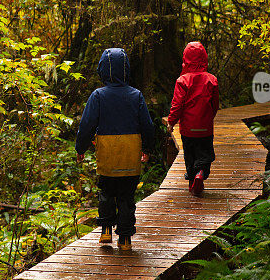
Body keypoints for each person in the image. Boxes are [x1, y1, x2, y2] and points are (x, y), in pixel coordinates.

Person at [76, 48, 155, 251]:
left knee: (107, 191)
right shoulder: (136, 95)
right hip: (130, 152)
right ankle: (126, 239)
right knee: (127, 196)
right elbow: (147, 125)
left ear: (102, 69)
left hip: (107, 152)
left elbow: (86, 125)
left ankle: (106, 230)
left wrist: (80, 148)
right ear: (126, 69)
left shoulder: (98, 96)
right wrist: (147, 147)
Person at [166, 41, 219, 197]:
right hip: (205, 128)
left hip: (188, 129)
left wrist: (171, 121)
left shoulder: (182, 81)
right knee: (205, 155)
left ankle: (192, 182)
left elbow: (177, 105)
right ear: (204, 58)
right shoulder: (211, 80)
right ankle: (200, 173)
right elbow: (215, 104)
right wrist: (209, 117)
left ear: (185, 59)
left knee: (190, 156)